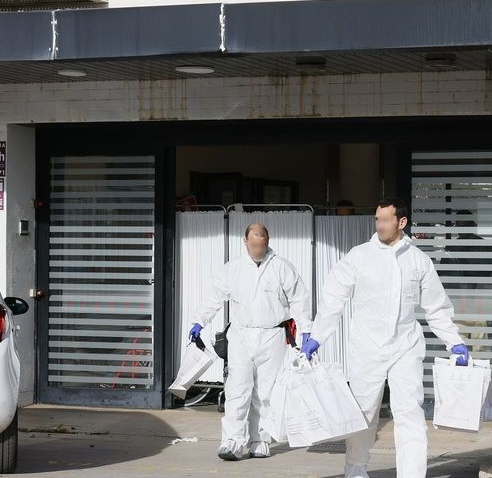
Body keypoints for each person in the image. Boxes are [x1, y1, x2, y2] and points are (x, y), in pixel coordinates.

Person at [301, 198, 469, 478]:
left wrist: (455, 341)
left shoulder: (418, 261)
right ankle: (355, 468)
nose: (379, 225)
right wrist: (317, 337)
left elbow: (436, 307)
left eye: (385, 220)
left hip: (405, 347)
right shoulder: (359, 256)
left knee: (410, 414)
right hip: (367, 348)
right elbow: (333, 299)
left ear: (401, 222)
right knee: (363, 413)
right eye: (377, 219)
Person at [188, 222, 312, 461]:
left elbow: (300, 299)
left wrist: (306, 329)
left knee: (266, 392)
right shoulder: (232, 269)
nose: (258, 250)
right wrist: (199, 321)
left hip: (272, 334)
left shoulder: (281, 267)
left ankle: (260, 440)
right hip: (241, 335)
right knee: (237, 389)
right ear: (245, 242)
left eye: (262, 246)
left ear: (268, 242)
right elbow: (213, 298)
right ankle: (232, 441)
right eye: (254, 245)